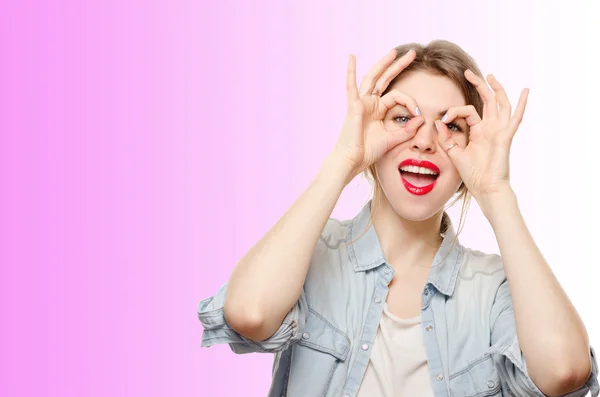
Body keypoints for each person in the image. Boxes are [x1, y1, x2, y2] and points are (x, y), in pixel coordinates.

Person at [197, 40, 599, 397]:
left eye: (450, 125)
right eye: (403, 118)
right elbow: (249, 314)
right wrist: (344, 160)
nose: (424, 140)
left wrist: (496, 192)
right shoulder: (309, 256)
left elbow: (564, 372)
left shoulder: (493, 290)